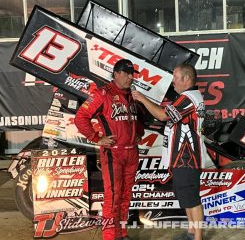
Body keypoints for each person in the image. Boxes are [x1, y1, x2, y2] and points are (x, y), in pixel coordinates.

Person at [132, 63, 206, 240]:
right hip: (182, 158)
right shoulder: (190, 96)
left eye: (175, 78)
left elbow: (163, 115)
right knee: (187, 198)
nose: (173, 82)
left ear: (186, 79)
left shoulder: (188, 98)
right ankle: (191, 233)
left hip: (187, 158)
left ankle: (198, 237)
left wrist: (141, 98)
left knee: (192, 199)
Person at [74, 59, 144, 240]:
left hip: (132, 152)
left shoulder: (133, 95)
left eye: (132, 74)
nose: (130, 77)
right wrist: (97, 138)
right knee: (113, 197)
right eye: (127, 73)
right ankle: (110, 236)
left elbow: (138, 119)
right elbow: (81, 117)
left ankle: (122, 233)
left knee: (126, 196)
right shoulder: (102, 93)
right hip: (113, 152)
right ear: (116, 74)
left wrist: (139, 133)